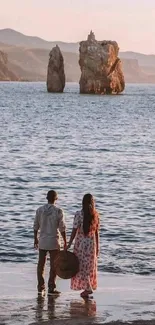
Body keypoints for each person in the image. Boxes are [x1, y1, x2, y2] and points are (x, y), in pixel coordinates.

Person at [34, 190, 67, 295]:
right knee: (54, 265)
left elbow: (36, 225)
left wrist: (35, 238)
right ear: (56, 198)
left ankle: (40, 287)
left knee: (41, 264)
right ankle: (51, 287)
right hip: (54, 241)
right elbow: (62, 228)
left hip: (43, 241)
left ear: (46, 198)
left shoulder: (39, 210)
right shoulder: (58, 211)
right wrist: (65, 241)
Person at [66, 193, 99, 298]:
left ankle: (88, 288)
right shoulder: (96, 215)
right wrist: (98, 247)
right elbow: (96, 233)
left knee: (80, 266)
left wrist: (69, 244)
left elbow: (74, 231)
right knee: (89, 266)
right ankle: (87, 288)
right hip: (91, 244)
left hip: (80, 244)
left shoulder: (78, 214)